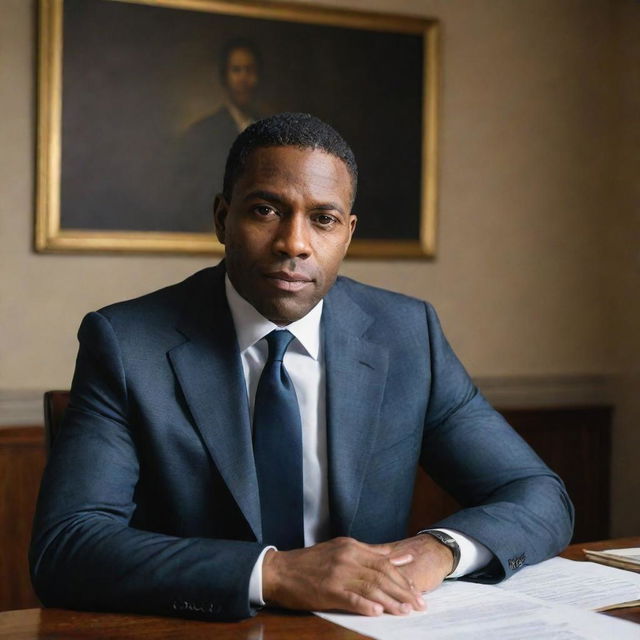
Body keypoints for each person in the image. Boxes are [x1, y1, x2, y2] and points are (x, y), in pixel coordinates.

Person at [30, 113, 574, 621]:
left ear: (348, 234)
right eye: (266, 210)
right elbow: (69, 544)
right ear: (223, 218)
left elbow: (536, 493)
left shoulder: (406, 336)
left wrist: (438, 550)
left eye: (323, 219)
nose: (295, 243)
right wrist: (275, 573)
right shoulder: (128, 343)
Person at [177, 38, 262, 229]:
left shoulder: (268, 129)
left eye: (250, 70)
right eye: (237, 70)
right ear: (225, 77)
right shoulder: (202, 132)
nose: (244, 79)